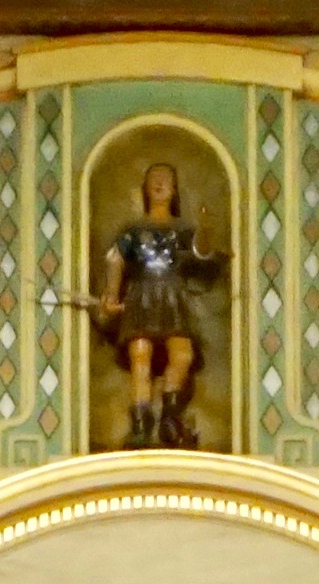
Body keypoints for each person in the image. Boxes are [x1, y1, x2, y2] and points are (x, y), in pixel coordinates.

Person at [89, 160, 222, 450]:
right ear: (146, 188)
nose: (160, 184)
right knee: (141, 356)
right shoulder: (134, 230)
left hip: (173, 293)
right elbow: (116, 259)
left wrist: (206, 231)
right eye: (154, 179)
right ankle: (140, 424)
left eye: (166, 179)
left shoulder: (182, 229)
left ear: (174, 190)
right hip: (142, 293)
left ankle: (169, 418)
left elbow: (203, 256)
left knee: (182, 355)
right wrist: (111, 295)